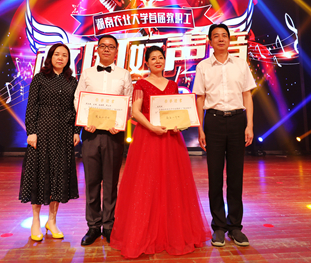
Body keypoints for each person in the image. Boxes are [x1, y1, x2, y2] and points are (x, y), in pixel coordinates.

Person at [110, 45, 210, 258]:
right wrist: (152, 127)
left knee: (171, 183)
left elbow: (177, 111)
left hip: (170, 139)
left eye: (160, 57)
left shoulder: (172, 84)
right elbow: (136, 111)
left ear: (165, 61)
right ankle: (145, 234)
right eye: (153, 58)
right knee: (147, 183)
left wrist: (179, 125)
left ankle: (170, 233)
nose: (157, 61)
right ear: (146, 62)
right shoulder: (141, 84)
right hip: (148, 137)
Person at [193, 23, 256, 248]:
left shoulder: (240, 64)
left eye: (224, 36)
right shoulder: (203, 66)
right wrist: (200, 128)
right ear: (209, 41)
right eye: (216, 36)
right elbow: (200, 98)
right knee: (215, 177)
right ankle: (219, 227)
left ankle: (235, 227)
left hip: (238, 120)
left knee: (236, 177)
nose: (220, 39)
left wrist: (249, 125)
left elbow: (247, 95)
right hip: (214, 121)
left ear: (229, 40)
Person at [74, 34, 133, 246]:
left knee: (110, 182)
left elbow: (128, 102)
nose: (106, 49)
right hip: (90, 133)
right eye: (103, 46)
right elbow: (78, 98)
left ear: (116, 51)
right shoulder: (87, 73)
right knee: (91, 182)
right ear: (97, 50)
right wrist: (84, 121)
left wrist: (120, 122)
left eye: (111, 46)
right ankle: (93, 226)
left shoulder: (124, 74)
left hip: (114, 135)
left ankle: (109, 225)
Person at [19, 43, 81, 241]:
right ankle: (36, 220)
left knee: (59, 177)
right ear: (50, 57)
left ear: (68, 59)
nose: (60, 58)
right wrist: (32, 132)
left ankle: (52, 221)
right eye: (57, 54)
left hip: (64, 134)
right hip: (42, 132)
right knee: (39, 175)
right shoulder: (40, 78)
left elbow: (76, 109)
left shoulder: (72, 81)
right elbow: (31, 107)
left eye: (64, 55)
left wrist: (76, 131)